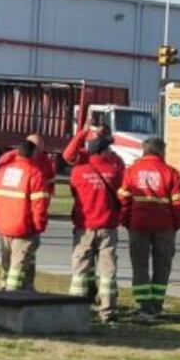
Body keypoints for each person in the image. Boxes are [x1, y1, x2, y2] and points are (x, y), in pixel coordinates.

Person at [118, 137, 180, 320]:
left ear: (144, 150)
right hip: (165, 227)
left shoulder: (131, 171)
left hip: (138, 226)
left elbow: (123, 200)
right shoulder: (171, 173)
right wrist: (175, 226)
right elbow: (179, 204)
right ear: (161, 151)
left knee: (139, 265)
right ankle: (156, 305)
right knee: (162, 266)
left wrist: (127, 221)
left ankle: (144, 305)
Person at [69, 136, 124, 322]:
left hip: (84, 228)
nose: (110, 152)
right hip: (107, 227)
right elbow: (121, 197)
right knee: (107, 271)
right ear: (102, 151)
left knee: (80, 270)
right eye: (108, 149)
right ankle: (107, 311)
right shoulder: (114, 172)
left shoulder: (78, 172)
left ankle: (75, 309)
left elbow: (75, 194)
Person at [0, 140, 50, 291]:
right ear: (33, 153)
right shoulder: (35, 173)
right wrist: (39, 226)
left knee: (7, 262)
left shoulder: (3, 172)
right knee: (18, 265)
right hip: (23, 227)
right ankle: (12, 294)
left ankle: (6, 288)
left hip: (3, 225)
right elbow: (39, 205)